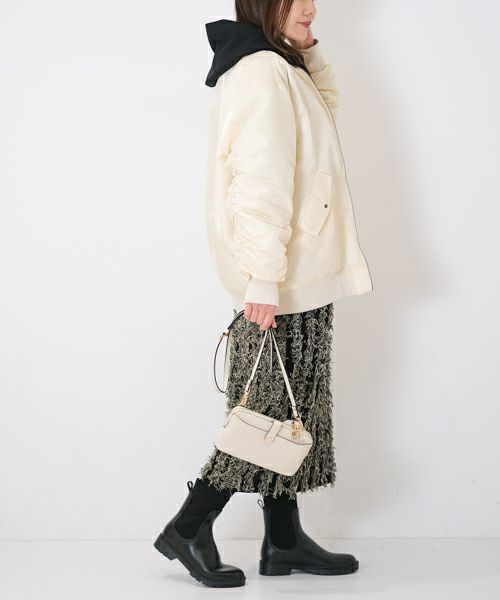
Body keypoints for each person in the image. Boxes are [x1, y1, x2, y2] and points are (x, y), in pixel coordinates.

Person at [154, 0, 373, 588]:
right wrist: (263, 278)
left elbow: (326, 113)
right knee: (267, 413)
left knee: (295, 409)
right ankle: (188, 525)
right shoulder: (261, 71)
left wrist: (307, 51)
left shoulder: (281, 65)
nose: (311, 7)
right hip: (281, 274)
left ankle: (282, 539)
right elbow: (259, 181)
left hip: (299, 266)